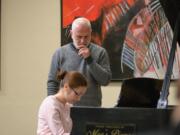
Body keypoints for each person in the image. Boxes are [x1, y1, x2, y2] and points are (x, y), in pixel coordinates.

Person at [47, 17, 112, 106]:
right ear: (71, 34)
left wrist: (90, 60)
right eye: (79, 37)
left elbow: (105, 81)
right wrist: (52, 105)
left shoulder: (100, 52)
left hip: (92, 110)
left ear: (90, 33)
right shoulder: (60, 53)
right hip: (65, 109)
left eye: (86, 37)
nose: (83, 41)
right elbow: (53, 83)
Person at [37, 70, 88, 135]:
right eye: (77, 94)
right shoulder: (50, 104)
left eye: (81, 95)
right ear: (66, 87)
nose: (79, 99)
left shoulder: (68, 106)